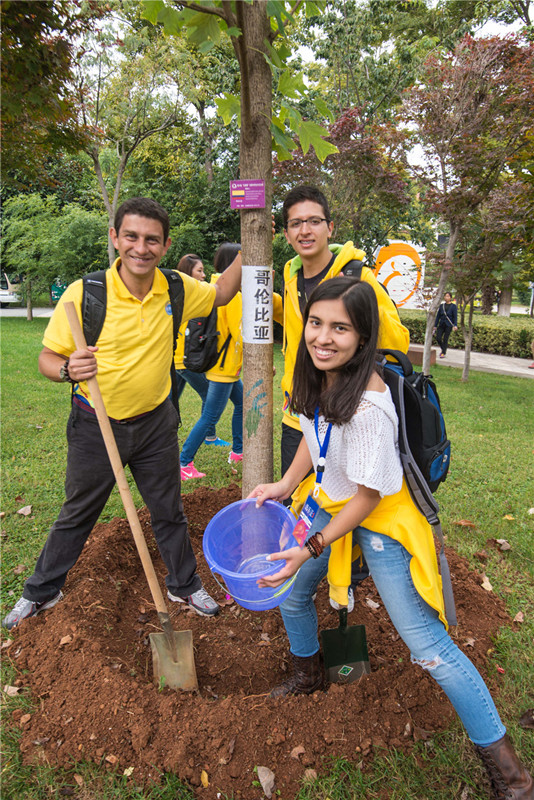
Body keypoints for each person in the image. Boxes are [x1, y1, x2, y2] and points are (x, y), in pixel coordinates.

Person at [249, 276, 533, 799]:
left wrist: (309, 546)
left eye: (341, 328)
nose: (323, 337)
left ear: (363, 337)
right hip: (332, 503)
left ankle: (513, 777)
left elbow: (369, 498)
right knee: (290, 595)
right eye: (316, 323)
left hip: (382, 515)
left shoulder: (371, 405)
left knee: (427, 646)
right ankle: (310, 673)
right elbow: (315, 435)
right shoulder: (316, 373)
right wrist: (287, 482)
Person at [3, 197, 242, 629]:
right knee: (79, 511)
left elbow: (223, 292)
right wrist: (66, 369)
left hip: (154, 423)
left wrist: (254, 236)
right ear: (115, 238)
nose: (140, 248)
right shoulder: (87, 293)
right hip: (96, 424)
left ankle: (183, 585)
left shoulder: (176, 288)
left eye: (152, 240)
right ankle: (40, 592)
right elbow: (46, 357)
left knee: (168, 509)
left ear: (165, 245)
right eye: (131, 236)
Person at [278, 185, 410, 609]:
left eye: (314, 221)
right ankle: (323, 566)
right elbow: (300, 333)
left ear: (330, 227)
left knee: (355, 499)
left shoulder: (358, 276)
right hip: (305, 408)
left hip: (351, 408)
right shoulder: (289, 273)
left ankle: (347, 576)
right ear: (286, 232)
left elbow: (391, 338)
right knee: (314, 488)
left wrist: (354, 372)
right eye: (296, 223)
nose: (305, 230)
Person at [179, 243, 245, 478]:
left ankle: (238, 451)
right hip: (224, 369)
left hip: (222, 366)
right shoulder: (233, 294)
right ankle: (184, 462)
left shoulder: (214, 287)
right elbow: (240, 334)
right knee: (210, 416)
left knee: (242, 404)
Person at [174, 253, 230, 482]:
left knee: (170, 406)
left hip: (180, 360)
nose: (203, 274)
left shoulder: (188, 294)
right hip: (185, 362)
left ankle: (209, 437)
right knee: (210, 404)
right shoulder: (191, 295)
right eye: (199, 271)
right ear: (189, 273)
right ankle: (184, 461)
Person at [433, 291, 458, 358]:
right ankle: (443, 349)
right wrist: (435, 325)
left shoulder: (453, 306)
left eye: (448, 296)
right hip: (441, 324)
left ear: (450, 297)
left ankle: (443, 353)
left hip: (448, 325)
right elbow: (438, 316)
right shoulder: (442, 306)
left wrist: (455, 325)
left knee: (445, 339)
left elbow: (455, 317)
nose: (446, 297)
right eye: (445, 296)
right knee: (438, 338)